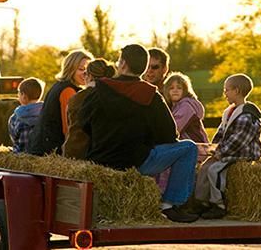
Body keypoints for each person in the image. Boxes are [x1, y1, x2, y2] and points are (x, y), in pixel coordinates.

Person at [79, 44, 199, 223]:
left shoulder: (99, 90)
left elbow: (83, 124)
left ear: (123, 64)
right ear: (143, 68)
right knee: (188, 148)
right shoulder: (150, 95)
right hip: (137, 161)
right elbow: (169, 135)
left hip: (100, 159)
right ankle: (169, 205)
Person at [194, 73, 261, 219]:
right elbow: (221, 132)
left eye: (227, 90)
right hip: (229, 150)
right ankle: (202, 201)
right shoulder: (229, 112)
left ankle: (218, 204)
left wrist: (222, 152)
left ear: (237, 91)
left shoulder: (247, 116)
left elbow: (239, 141)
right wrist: (213, 149)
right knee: (205, 167)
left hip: (244, 152)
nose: (224, 93)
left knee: (215, 170)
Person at [27, 49, 94, 155]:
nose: (85, 74)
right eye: (81, 69)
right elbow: (67, 128)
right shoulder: (68, 91)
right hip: (49, 151)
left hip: (40, 146)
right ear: (70, 69)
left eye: (88, 71)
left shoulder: (59, 85)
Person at [62, 58, 116, 159]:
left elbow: (70, 125)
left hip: (76, 153)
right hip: (106, 154)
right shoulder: (114, 96)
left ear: (90, 76)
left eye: (85, 73)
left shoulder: (77, 98)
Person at [8, 77, 45, 153]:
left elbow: (14, 137)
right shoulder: (45, 114)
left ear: (23, 96)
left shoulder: (15, 117)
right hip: (40, 153)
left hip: (20, 154)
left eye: (19, 93)